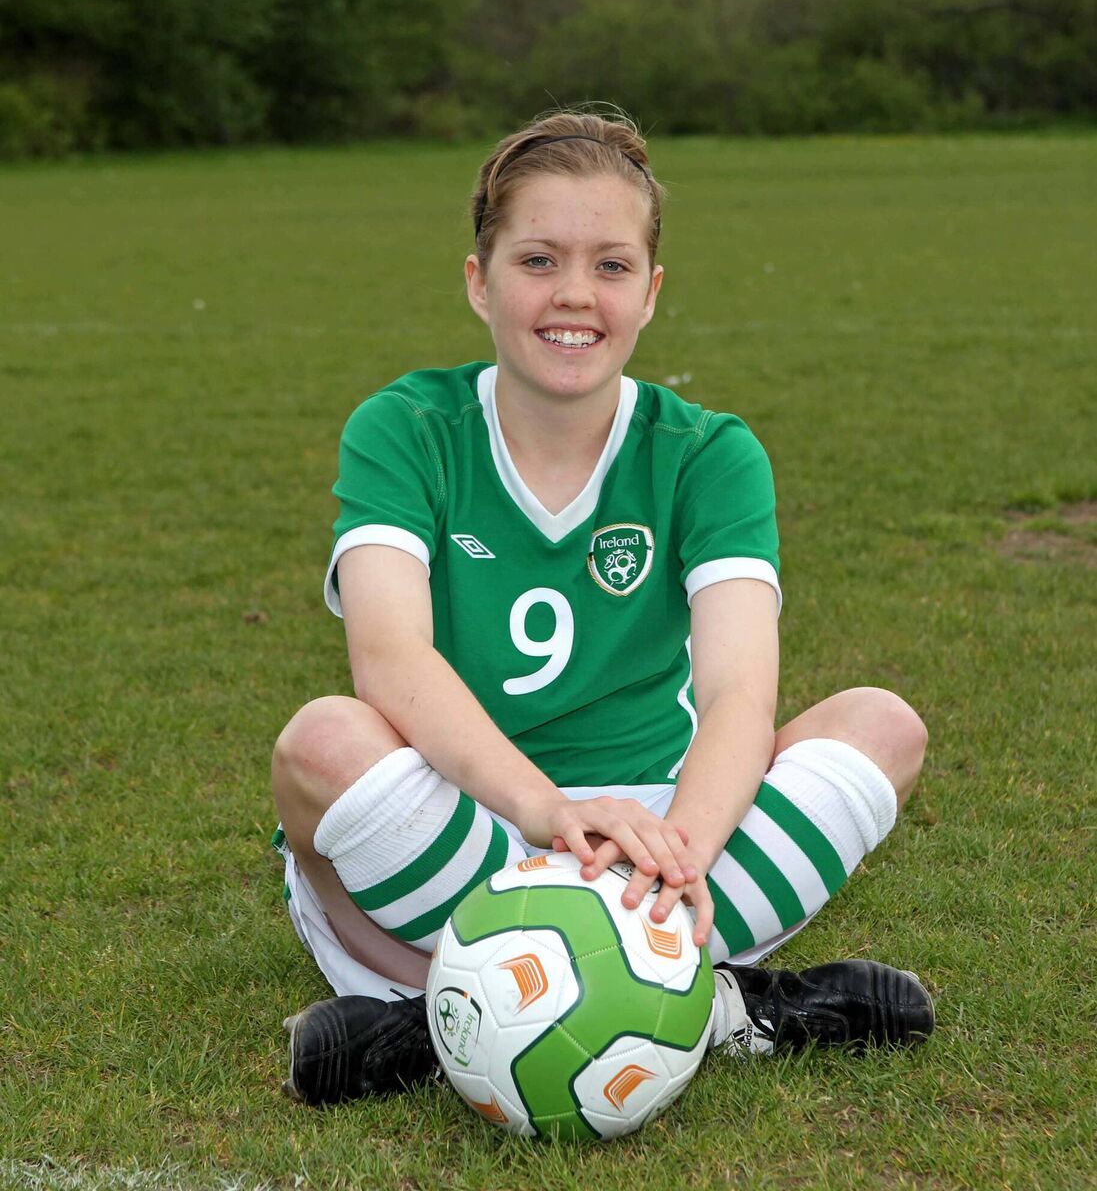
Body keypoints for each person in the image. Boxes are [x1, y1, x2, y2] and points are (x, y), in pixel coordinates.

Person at [271, 108, 934, 1106]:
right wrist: (548, 812)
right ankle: (708, 1006)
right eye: (537, 260)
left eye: (611, 266)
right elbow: (391, 659)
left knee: (881, 725)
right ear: (477, 280)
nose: (573, 295)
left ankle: (439, 1026)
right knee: (321, 745)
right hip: (471, 823)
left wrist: (684, 848)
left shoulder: (707, 452)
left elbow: (737, 690)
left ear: (651, 292)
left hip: (658, 836)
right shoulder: (405, 427)